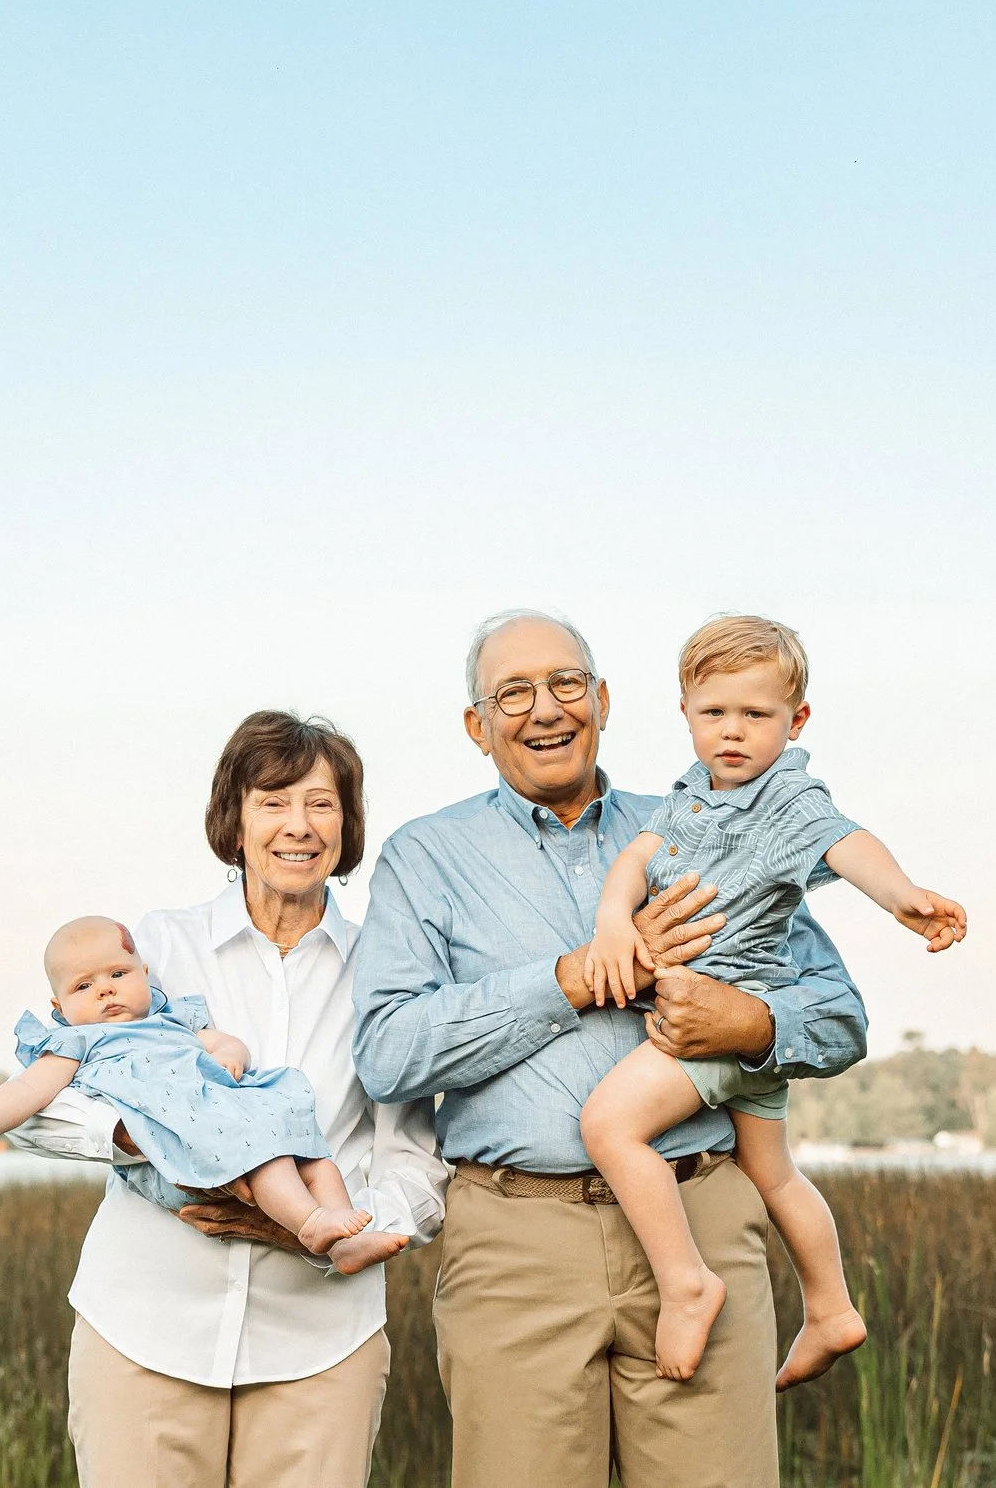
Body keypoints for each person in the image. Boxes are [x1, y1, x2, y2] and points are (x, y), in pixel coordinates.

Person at [352, 610, 870, 1488]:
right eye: (512, 691)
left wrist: (745, 1025)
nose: (544, 707)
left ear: (603, 701)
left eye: (565, 683)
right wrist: (572, 978)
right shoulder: (424, 856)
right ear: (477, 726)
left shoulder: (707, 821)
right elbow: (388, 1053)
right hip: (516, 1242)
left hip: (700, 1211)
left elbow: (840, 1014)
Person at [8, 710, 447, 1488]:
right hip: (143, 1329)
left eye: (322, 803)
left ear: (347, 826)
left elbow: (414, 1161)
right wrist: (151, 1139)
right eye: (273, 800)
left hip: (323, 1341)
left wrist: (334, 1233)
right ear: (234, 820)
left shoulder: (387, 969)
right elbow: (45, 1096)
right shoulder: (158, 948)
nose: (298, 825)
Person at [580, 614, 968, 1386]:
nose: (732, 732)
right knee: (775, 1173)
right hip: (758, 1036)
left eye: (756, 716)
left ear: (796, 722)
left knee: (609, 1123)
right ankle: (830, 1307)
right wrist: (612, 919)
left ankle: (686, 1281)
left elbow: (848, 842)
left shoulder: (788, 798)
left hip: (720, 1019)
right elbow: (636, 856)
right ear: (685, 712)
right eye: (713, 713)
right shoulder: (693, 795)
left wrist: (902, 898)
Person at [0, 914, 391, 1268]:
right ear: (59, 1008)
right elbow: (29, 1089)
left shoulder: (171, 1021)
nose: (105, 989)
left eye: (118, 973)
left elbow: (219, 1042)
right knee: (270, 1160)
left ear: (145, 975)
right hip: (181, 1156)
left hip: (225, 1124)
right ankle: (312, 1223)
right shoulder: (80, 1042)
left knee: (315, 1158)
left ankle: (343, 1240)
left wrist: (230, 1055)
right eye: (83, 986)